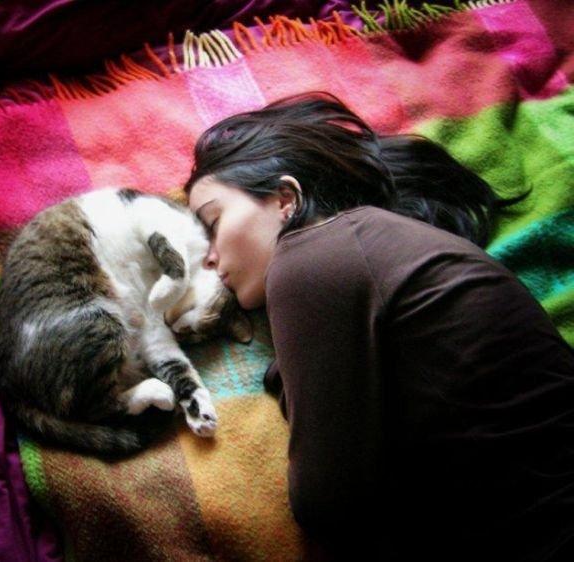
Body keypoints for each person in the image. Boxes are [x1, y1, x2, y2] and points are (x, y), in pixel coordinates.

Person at [184, 92, 574, 561]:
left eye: (213, 223)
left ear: (286, 199)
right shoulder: (369, 249)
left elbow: (325, 503)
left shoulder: (310, 257)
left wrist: (282, 376)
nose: (208, 259)